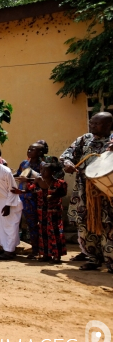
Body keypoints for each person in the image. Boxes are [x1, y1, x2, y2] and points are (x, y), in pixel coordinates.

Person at [60, 112, 113, 270]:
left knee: (108, 226)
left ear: (109, 125)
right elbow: (66, 155)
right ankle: (93, 258)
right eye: (92, 122)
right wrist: (68, 164)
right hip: (84, 192)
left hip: (106, 193)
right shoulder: (84, 139)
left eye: (97, 124)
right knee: (85, 226)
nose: (92, 126)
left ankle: (111, 262)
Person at [14, 160, 67, 263]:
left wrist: (53, 196)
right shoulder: (38, 180)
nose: (42, 172)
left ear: (52, 172)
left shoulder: (60, 183)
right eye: (42, 170)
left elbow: (62, 193)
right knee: (43, 233)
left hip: (53, 212)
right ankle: (45, 254)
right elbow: (31, 191)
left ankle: (56, 255)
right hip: (41, 211)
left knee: (54, 233)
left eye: (46, 171)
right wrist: (20, 192)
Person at [13, 142, 45, 259]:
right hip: (21, 196)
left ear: (40, 152)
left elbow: (44, 180)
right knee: (18, 222)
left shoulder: (43, 165)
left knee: (33, 224)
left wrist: (29, 179)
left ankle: (36, 249)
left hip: (34, 197)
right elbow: (18, 173)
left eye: (33, 150)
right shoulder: (24, 163)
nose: (29, 151)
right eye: (29, 149)